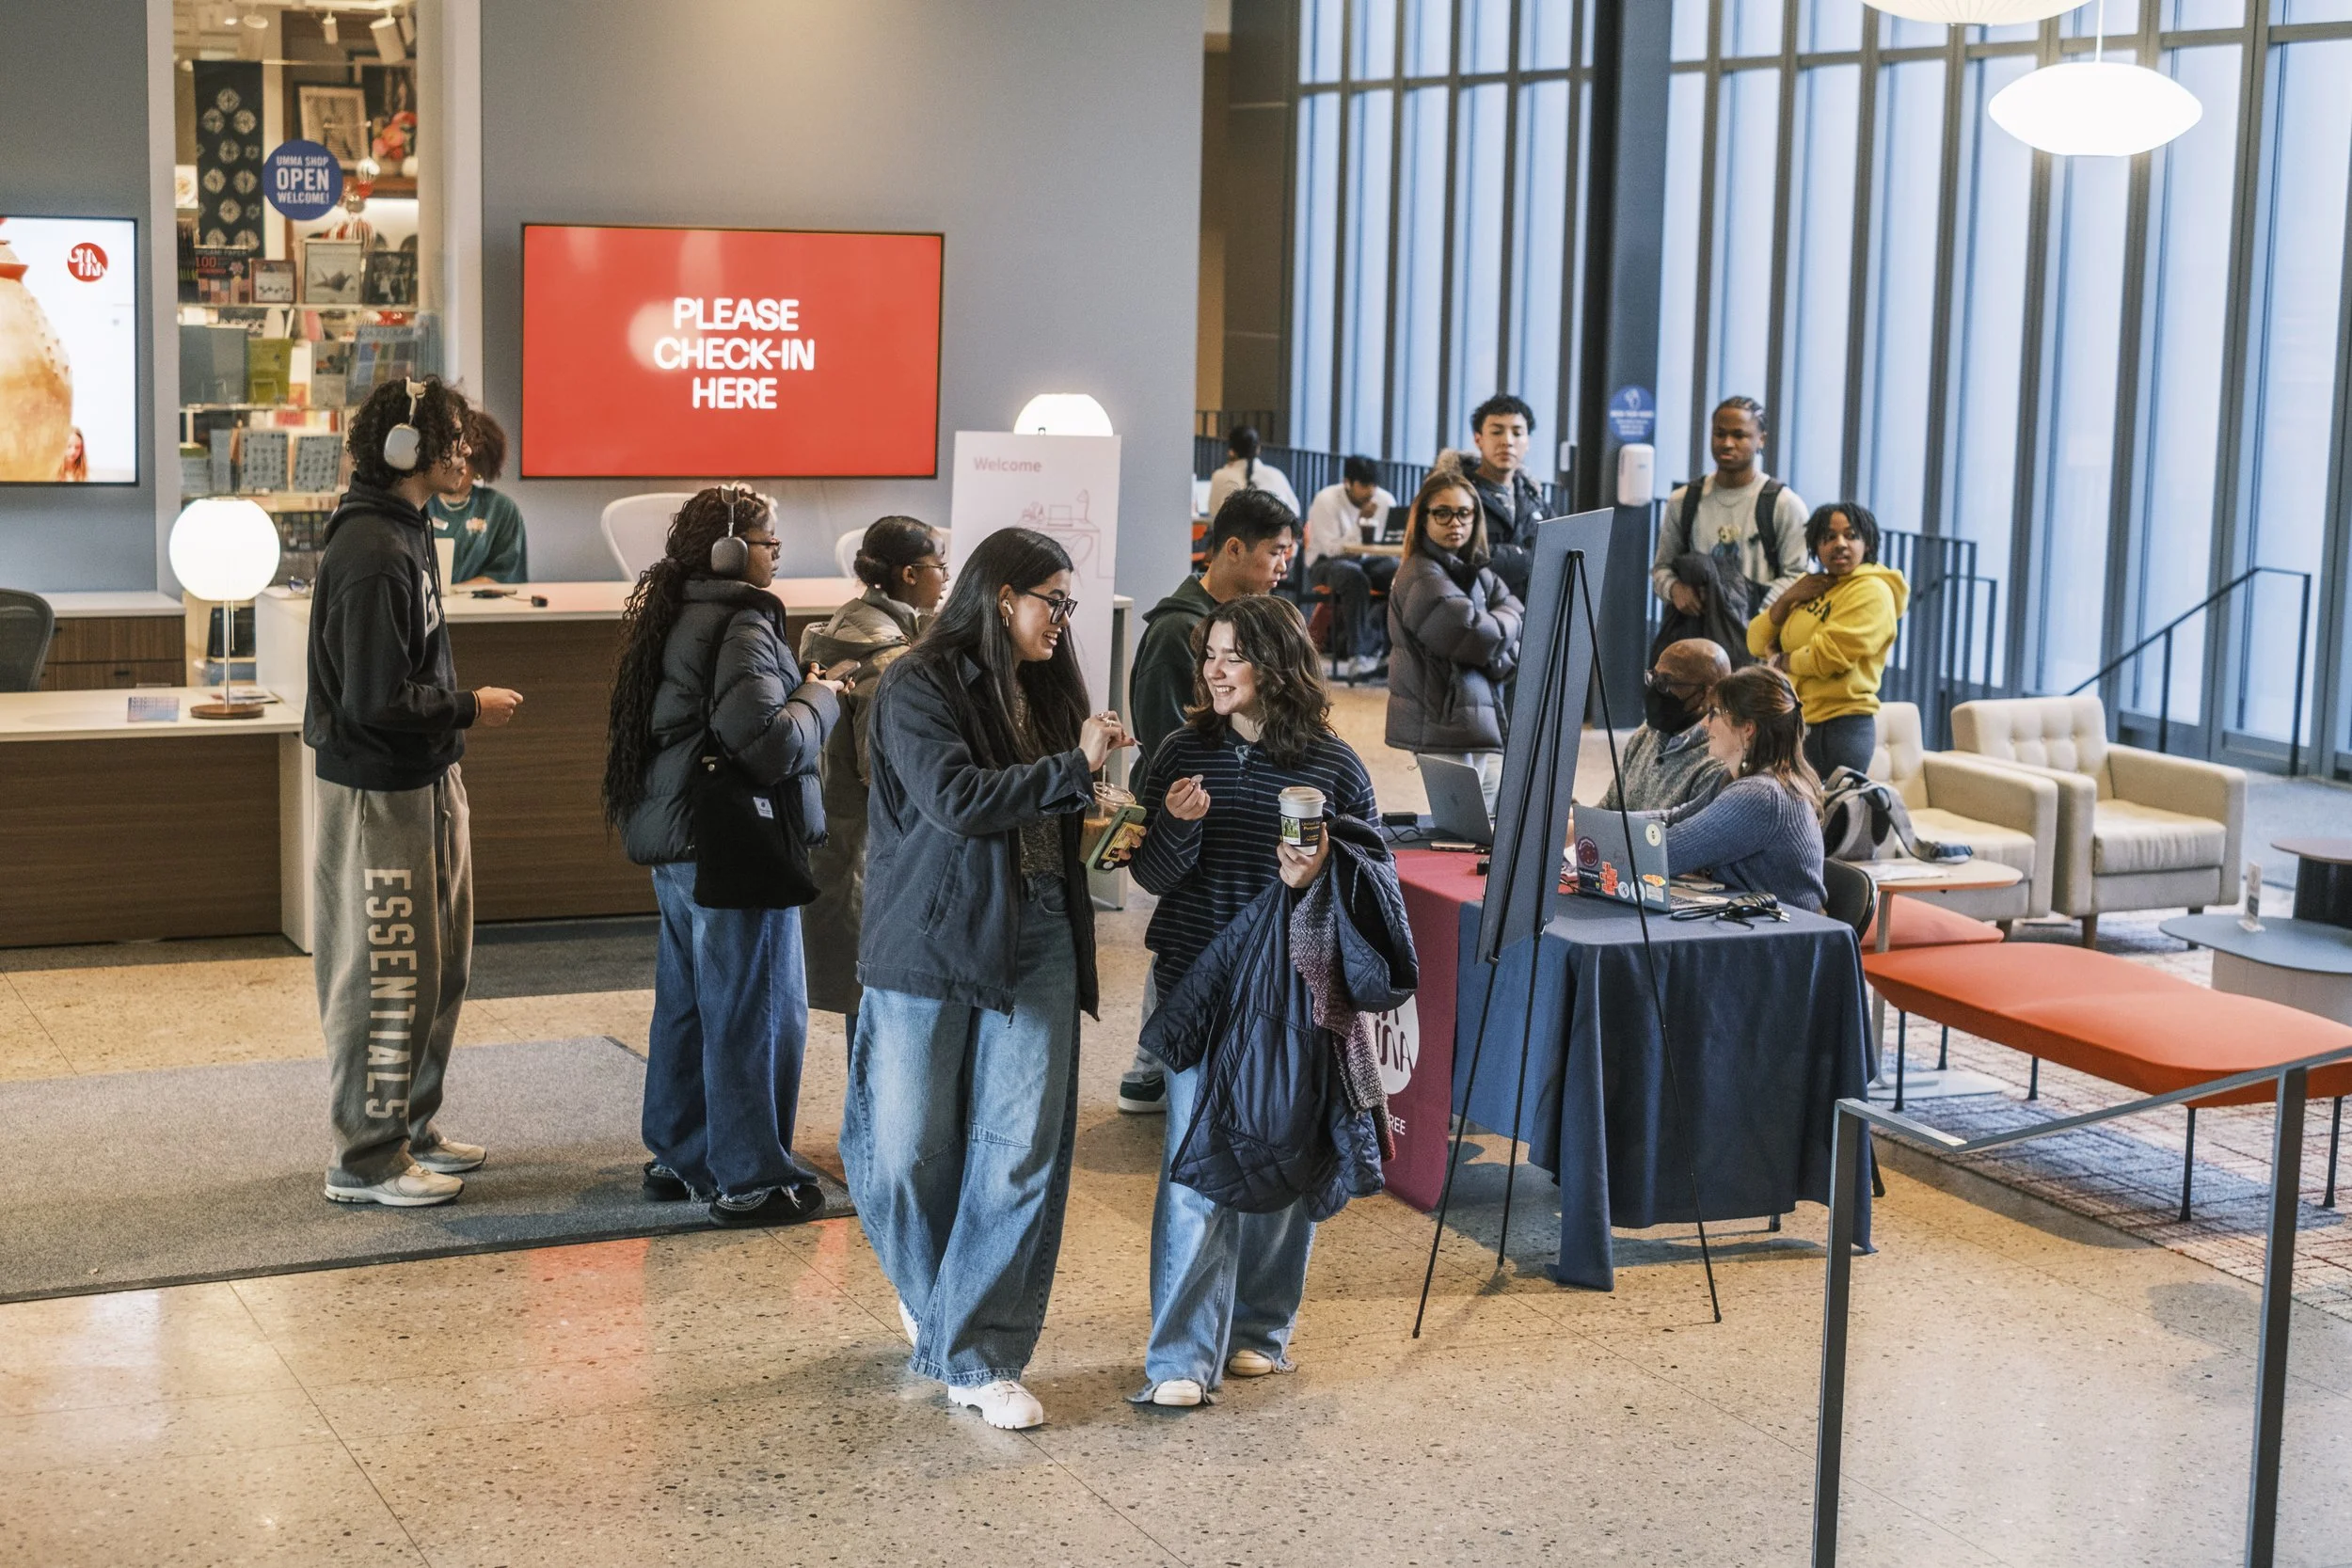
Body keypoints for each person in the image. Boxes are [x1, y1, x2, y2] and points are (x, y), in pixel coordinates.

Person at [843, 527, 1135, 1433]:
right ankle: (936, 1296)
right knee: (902, 1146)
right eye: (1054, 600)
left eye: (1067, 603)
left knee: (1018, 1149)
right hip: (933, 932)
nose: (1064, 620)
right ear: (1001, 595)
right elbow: (958, 800)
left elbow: (1055, 799)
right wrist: (1071, 768)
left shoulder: (1048, 681)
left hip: (1040, 923)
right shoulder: (915, 682)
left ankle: (977, 1351)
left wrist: (1103, 799)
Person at [1127, 594, 1379, 1407]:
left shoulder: (1333, 766)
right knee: (1195, 1166)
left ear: (1274, 663)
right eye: (1209, 655)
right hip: (1198, 981)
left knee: (1280, 1151)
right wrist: (1176, 827)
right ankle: (1177, 1358)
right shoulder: (1178, 752)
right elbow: (1149, 878)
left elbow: (1376, 885)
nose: (1214, 669)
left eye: (1231, 655)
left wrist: (1315, 877)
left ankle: (1260, 1331)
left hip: (1290, 990)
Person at [307, 376, 522, 1209]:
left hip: (427, 778)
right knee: (386, 975)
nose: (466, 454)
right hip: (379, 793)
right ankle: (364, 1158)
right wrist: (471, 706)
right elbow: (372, 700)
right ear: (406, 450)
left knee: (437, 969)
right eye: (452, 440)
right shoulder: (371, 551)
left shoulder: (405, 530)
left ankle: (409, 1127)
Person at [603, 485, 843, 1227]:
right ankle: (750, 1174)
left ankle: (681, 1151)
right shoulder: (743, 621)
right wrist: (820, 696)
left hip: (682, 843)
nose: (779, 554)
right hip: (733, 845)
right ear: (734, 551)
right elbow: (767, 742)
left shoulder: (674, 610)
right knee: (755, 1006)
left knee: (688, 1002)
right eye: (771, 541)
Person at [1120, 488, 1297, 1117]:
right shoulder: (1177, 627)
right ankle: (1152, 1064)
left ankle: (1152, 1067)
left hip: (1226, 812)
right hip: (1194, 813)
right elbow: (1171, 732)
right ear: (1231, 548)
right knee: (1187, 930)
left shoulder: (1254, 618)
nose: (1284, 568)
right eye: (1276, 553)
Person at [799, 516, 948, 1042]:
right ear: (908, 574)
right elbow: (880, 773)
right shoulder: (885, 661)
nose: (946, 577)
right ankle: (869, 1127)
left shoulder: (844, 627)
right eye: (938, 566)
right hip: (868, 853)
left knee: (863, 1006)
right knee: (875, 1016)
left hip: (833, 840)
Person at [1385, 456, 1525, 815]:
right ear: (1423, 517)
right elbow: (1479, 637)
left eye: (1465, 513)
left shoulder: (1470, 569)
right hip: (1443, 723)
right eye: (1442, 513)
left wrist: (1499, 638)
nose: (1455, 523)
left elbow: (1512, 609)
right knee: (1464, 833)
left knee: (1488, 830)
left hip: (1474, 717)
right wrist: (1503, 637)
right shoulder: (1422, 575)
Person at [1639, 665, 1826, 913]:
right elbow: (1674, 819)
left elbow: (1667, 852)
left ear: (1748, 729)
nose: (1705, 724)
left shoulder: (1761, 795)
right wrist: (1588, 824)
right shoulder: (1735, 779)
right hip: (1755, 926)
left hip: (1779, 940)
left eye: (1715, 713)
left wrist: (1594, 837)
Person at [1747, 502, 1908, 782]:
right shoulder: (1811, 586)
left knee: (1827, 822)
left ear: (1867, 543)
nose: (1840, 544)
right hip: (1797, 721)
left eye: (1851, 535)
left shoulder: (1872, 591)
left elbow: (1828, 656)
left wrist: (1781, 660)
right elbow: (1755, 641)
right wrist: (1787, 598)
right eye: (1828, 537)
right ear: (1815, 546)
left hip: (1839, 728)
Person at [1651, 396, 1811, 616]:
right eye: (1720, 434)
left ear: (1761, 440)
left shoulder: (1784, 504)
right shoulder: (1683, 500)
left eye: (1739, 435)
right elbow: (1662, 569)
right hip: (1697, 635)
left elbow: (1799, 576)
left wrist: (1755, 611)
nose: (1727, 443)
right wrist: (1675, 589)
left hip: (1759, 638)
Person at [1597, 637, 1732, 815]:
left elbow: (1682, 837)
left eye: (1666, 683)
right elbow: (1609, 807)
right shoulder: (1645, 734)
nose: (1654, 689)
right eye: (1653, 677)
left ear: (1706, 694)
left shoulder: (1718, 761)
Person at [1302, 454, 1399, 678]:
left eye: (1374, 485)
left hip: (1366, 560)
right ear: (1348, 482)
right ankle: (1358, 656)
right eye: (1364, 485)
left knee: (1398, 574)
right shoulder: (1326, 500)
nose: (1370, 492)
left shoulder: (1385, 500)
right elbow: (1331, 549)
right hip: (1324, 564)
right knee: (1353, 576)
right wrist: (1360, 523)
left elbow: (1388, 541)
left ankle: (1387, 651)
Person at [428, 409, 529, 585]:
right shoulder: (420, 504)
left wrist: (454, 597)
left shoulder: (500, 509)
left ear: (481, 466)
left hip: (482, 610)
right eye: (450, 454)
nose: (456, 464)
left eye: (465, 458)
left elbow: (506, 574)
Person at [1463, 392, 1547, 602]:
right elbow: (1462, 557)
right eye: (1497, 432)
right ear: (1478, 439)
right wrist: (1530, 558)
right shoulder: (1458, 494)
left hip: (1527, 619)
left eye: (1517, 433)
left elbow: (1559, 552)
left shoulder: (1533, 497)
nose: (1507, 442)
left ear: (1527, 441)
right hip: (1477, 615)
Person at [1203, 424, 1302, 520]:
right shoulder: (1276, 475)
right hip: (1276, 535)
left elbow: (1214, 514)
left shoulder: (1220, 476)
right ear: (1258, 449)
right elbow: (1295, 511)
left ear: (1231, 451)